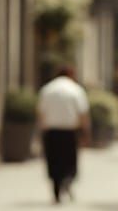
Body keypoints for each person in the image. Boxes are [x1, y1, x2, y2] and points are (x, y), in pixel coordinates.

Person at [36, 65, 89, 203]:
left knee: (53, 161)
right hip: (69, 131)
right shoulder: (75, 90)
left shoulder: (47, 89)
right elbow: (82, 113)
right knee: (69, 161)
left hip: (52, 131)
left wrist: (41, 131)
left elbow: (41, 112)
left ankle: (56, 191)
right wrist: (85, 132)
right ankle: (67, 181)